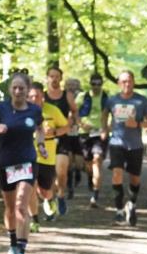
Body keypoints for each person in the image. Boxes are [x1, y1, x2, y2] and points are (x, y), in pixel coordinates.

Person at [0, 71, 48, 254]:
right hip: (6, 163)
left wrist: (41, 144)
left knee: (20, 206)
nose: (18, 92)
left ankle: (20, 253)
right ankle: (12, 244)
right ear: (10, 89)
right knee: (9, 208)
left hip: (27, 162)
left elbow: (40, 128)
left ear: (28, 90)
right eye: (15, 88)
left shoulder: (34, 110)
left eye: (22, 88)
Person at [101, 70, 147, 227]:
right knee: (117, 173)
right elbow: (104, 115)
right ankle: (118, 210)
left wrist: (137, 124)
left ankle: (131, 203)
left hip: (135, 145)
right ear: (119, 83)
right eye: (123, 81)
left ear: (134, 82)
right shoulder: (112, 100)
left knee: (134, 178)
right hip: (117, 143)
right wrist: (104, 129)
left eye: (129, 81)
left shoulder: (141, 101)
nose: (127, 84)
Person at [26, 82, 69, 233]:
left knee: (44, 190)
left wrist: (54, 132)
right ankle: (34, 220)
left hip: (47, 157)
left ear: (43, 97)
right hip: (27, 155)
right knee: (30, 186)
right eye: (30, 96)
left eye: (37, 96)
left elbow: (66, 126)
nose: (33, 99)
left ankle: (50, 199)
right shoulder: (22, 111)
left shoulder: (52, 110)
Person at [44, 65, 77, 216]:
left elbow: (75, 111)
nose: (54, 79)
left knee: (61, 171)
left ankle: (61, 195)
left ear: (61, 78)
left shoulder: (67, 95)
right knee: (50, 174)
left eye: (57, 76)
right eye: (52, 76)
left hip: (63, 136)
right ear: (47, 78)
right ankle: (51, 200)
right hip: (46, 138)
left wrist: (72, 121)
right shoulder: (42, 96)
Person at [77, 73, 109, 208]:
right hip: (85, 134)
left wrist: (106, 129)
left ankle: (95, 194)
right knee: (88, 164)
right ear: (90, 84)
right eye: (93, 84)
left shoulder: (106, 98)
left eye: (99, 84)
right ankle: (91, 178)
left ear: (102, 84)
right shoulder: (82, 97)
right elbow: (73, 112)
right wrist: (81, 124)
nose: (96, 86)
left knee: (97, 160)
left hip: (99, 134)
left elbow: (112, 114)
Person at [64, 77, 86, 198]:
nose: (72, 86)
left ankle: (78, 173)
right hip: (66, 134)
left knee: (78, 163)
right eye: (69, 84)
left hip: (79, 133)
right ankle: (70, 187)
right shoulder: (62, 97)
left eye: (74, 84)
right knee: (68, 162)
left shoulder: (83, 98)